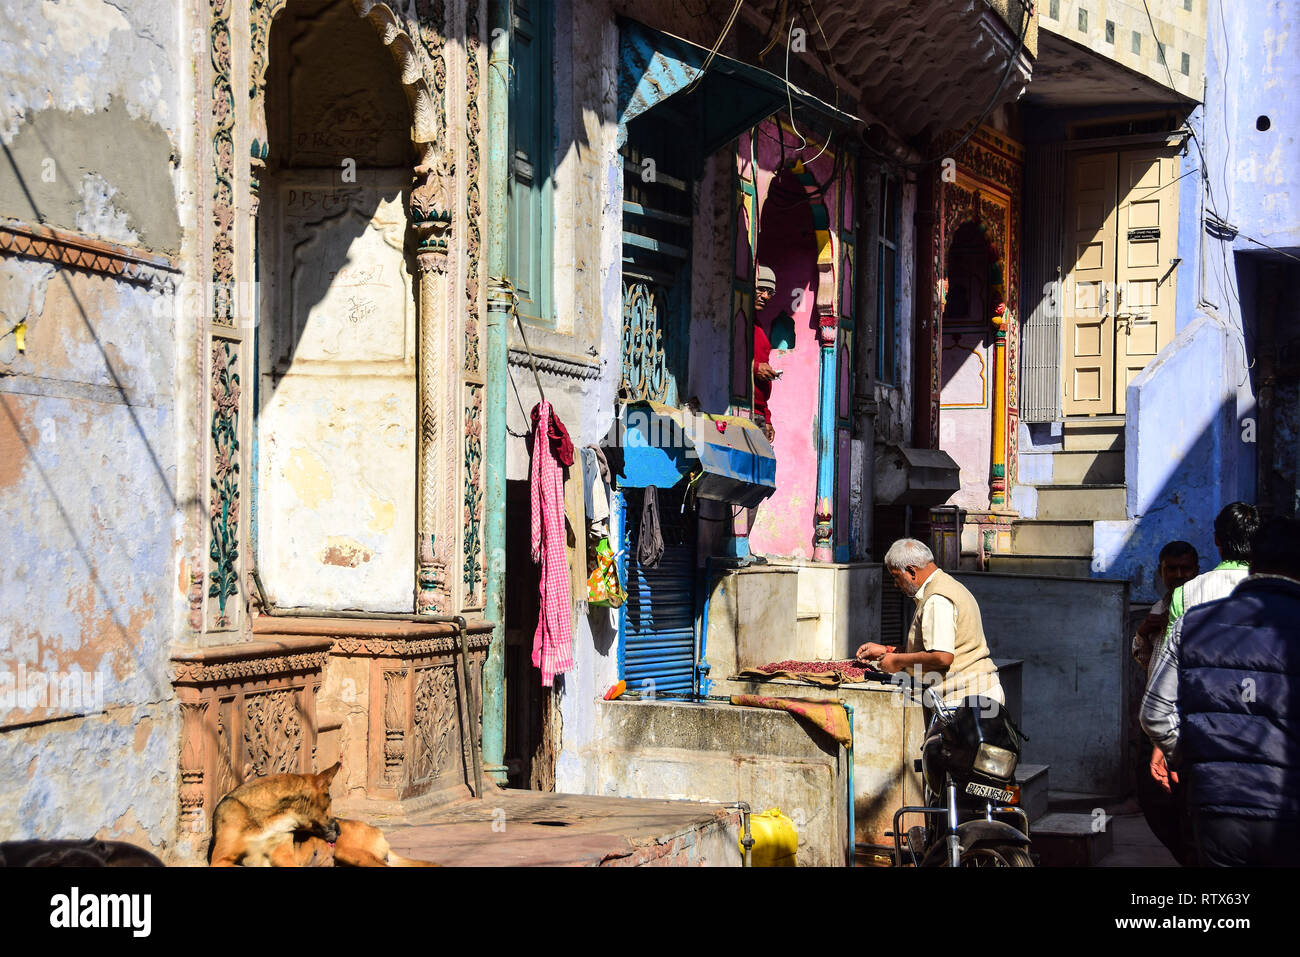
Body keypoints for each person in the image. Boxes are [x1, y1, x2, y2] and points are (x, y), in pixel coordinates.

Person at [1140, 517, 1300, 866]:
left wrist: (1191, 757)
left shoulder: (1192, 621)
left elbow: (1154, 714)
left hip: (1215, 803)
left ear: (1253, 565)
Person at [1147, 503, 1259, 793]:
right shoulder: (1272, 589)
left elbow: (1170, 675)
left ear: (1217, 541)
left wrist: (1165, 743)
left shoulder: (1186, 593)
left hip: (1203, 729)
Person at [855, 538, 1003, 707]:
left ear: (911, 571)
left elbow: (942, 657)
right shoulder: (948, 585)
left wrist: (896, 661)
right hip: (977, 694)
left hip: (966, 698)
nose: (896, 585)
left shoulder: (936, 599)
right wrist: (888, 651)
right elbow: (934, 649)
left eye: (896, 577)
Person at [1130, 540, 1199, 864]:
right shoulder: (1159, 609)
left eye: (1185, 568)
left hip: (1182, 718)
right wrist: (1144, 632)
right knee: (1152, 798)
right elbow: (1146, 662)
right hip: (1154, 719)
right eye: (1172, 569)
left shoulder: (1198, 607)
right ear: (1161, 571)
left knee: (1183, 796)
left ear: (1196, 570)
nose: (1179, 575)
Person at [752, 265, 781, 443]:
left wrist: (767, 418)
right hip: (738, 412)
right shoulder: (737, 324)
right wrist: (755, 368)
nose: (765, 296)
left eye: (770, 292)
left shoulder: (759, 329)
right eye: (761, 289)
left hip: (758, 413)